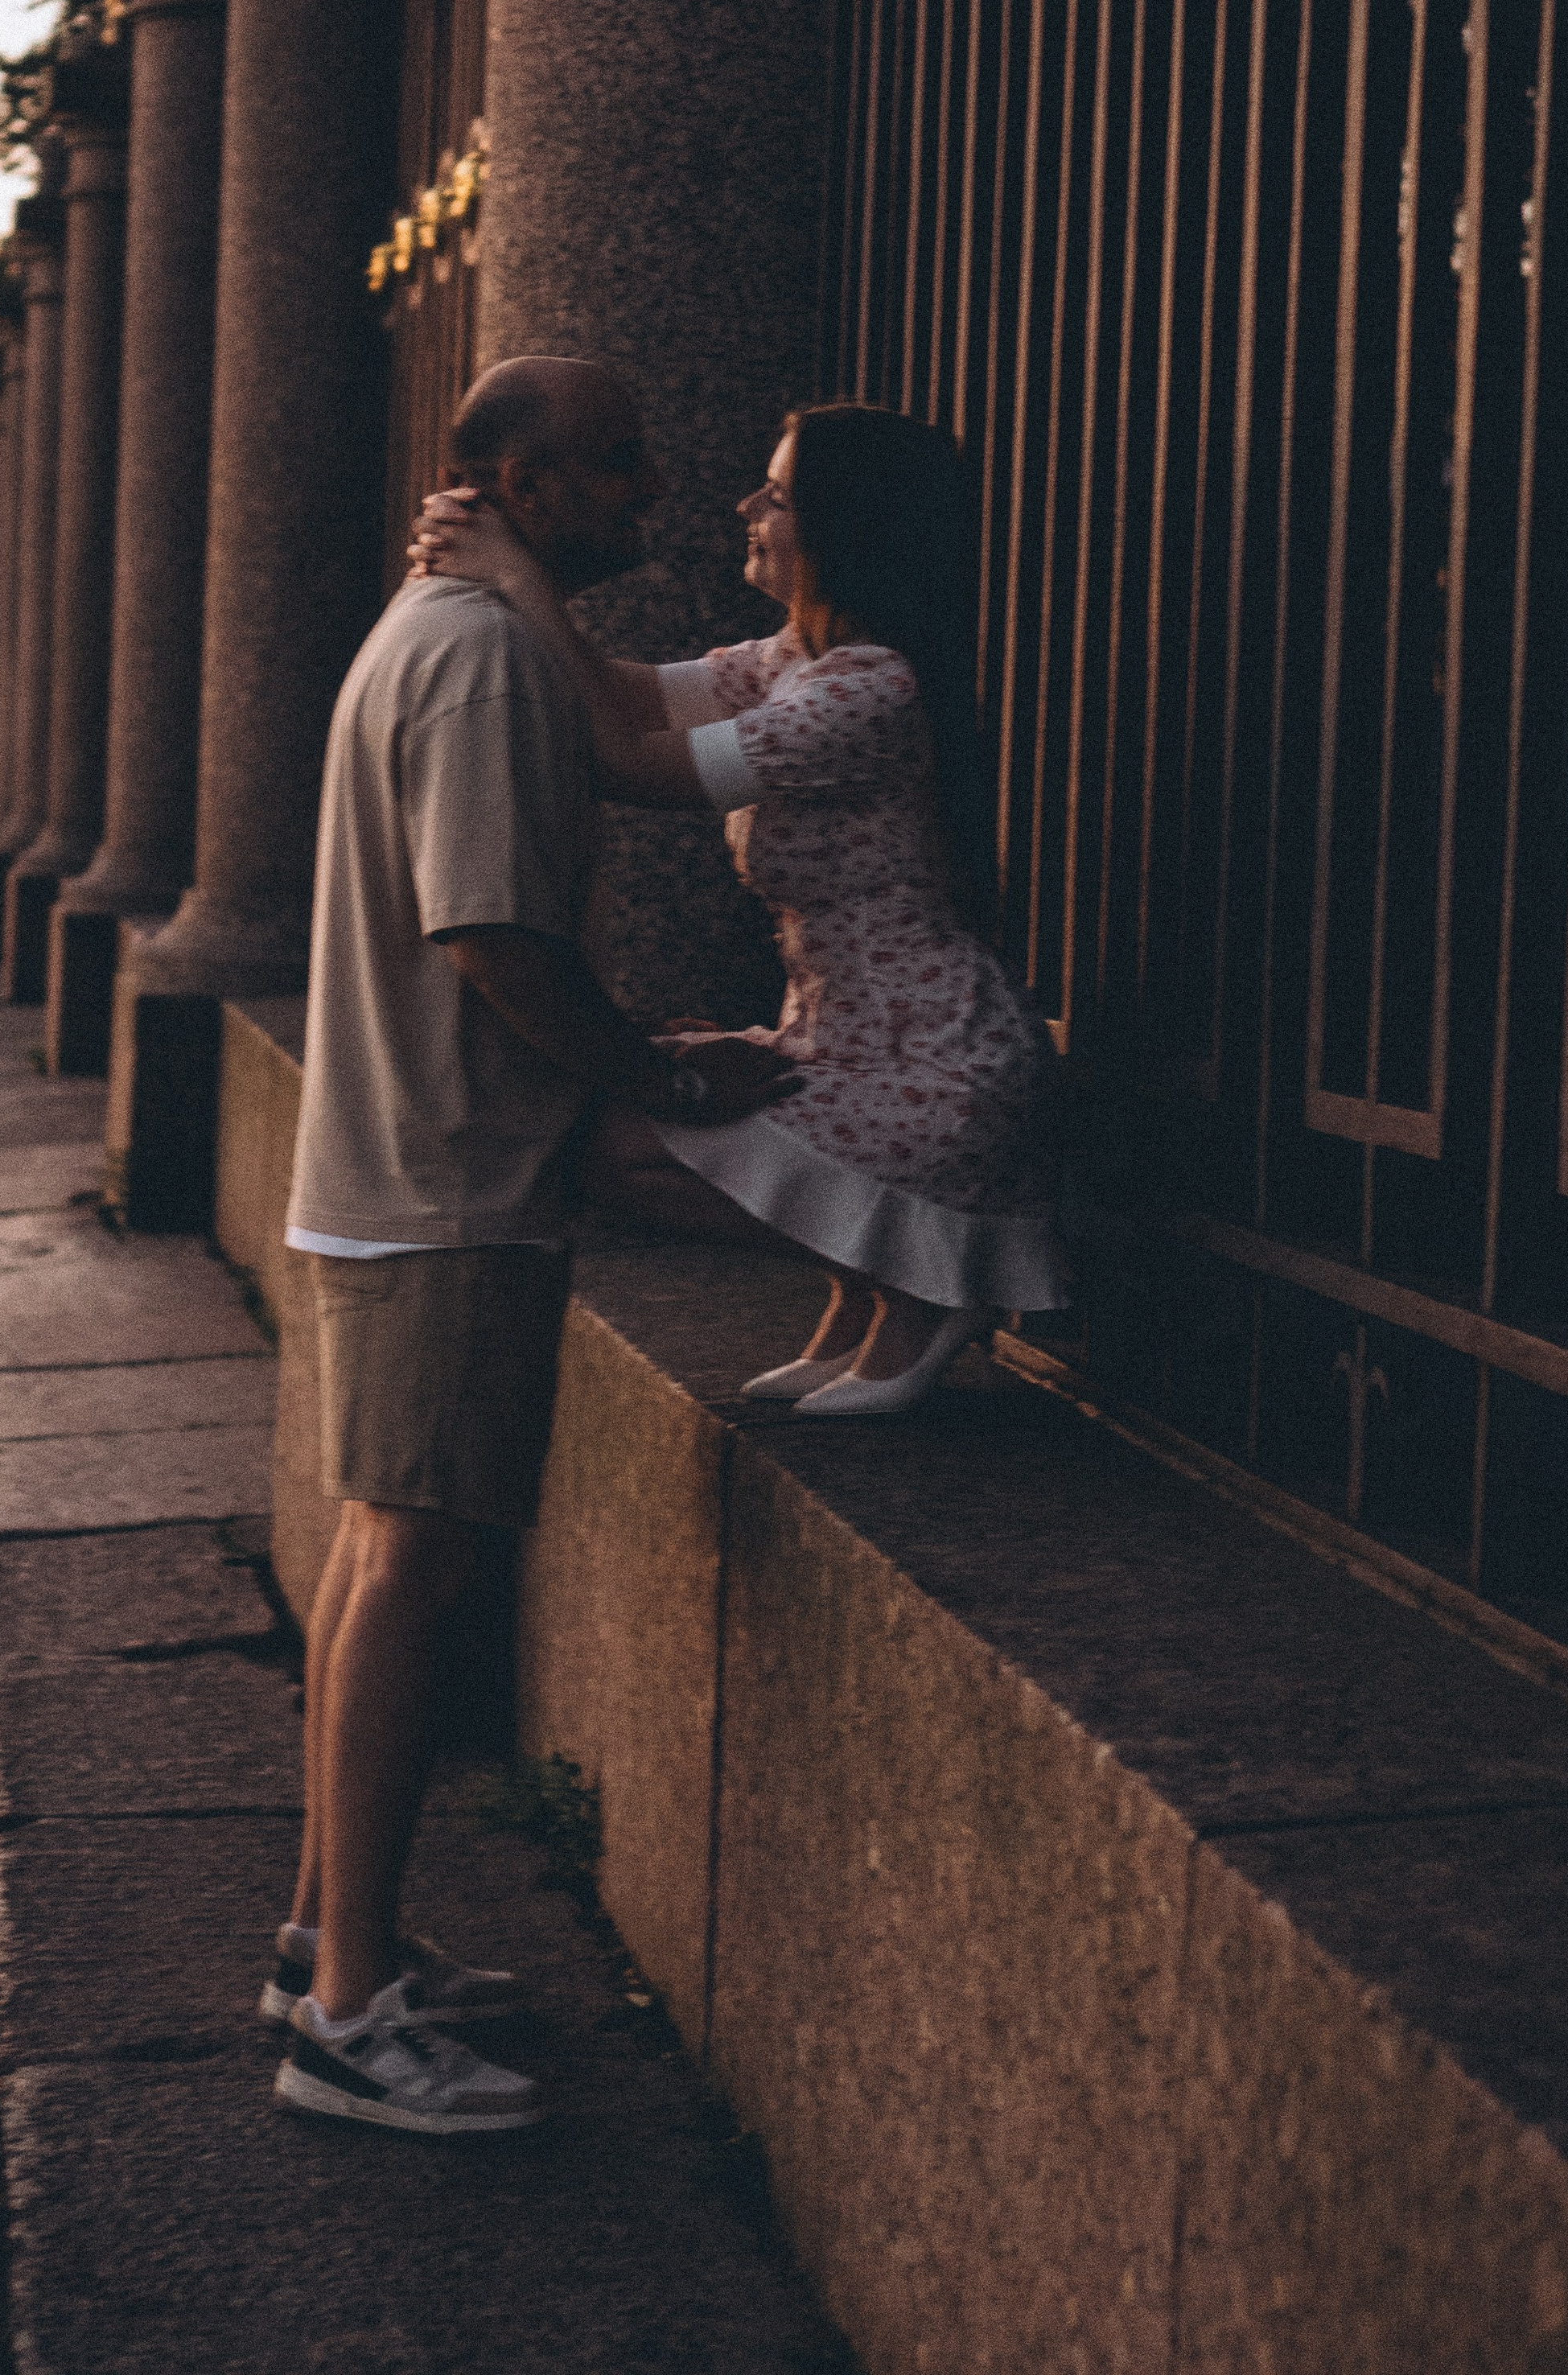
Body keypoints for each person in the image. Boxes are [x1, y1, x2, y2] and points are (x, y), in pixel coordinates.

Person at [272, 355, 797, 2139]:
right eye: (608, 467)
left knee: (371, 1558)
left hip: (390, 1160)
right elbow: (492, 930)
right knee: (409, 1573)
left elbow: (641, 741)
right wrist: (645, 1070)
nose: (648, 493)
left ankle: (322, 1939)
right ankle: (346, 2018)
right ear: (499, 474)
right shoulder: (487, 655)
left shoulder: (441, 622)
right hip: (445, 1176)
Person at [414, 400, 1069, 1415]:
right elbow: (627, 699)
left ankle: (923, 1280)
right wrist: (515, 576)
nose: (747, 504)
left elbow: (629, 758)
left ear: (849, 523)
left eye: (780, 491)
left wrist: (517, 577)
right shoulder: (789, 663)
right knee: (622, 1131)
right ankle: (870, 1284)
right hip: (852, 1039)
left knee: (627, 1150)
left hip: (937, 1063)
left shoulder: (871, 689)